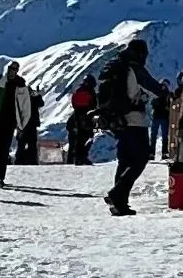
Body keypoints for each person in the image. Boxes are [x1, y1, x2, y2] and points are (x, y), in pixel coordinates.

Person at [100, 40, 173, 216]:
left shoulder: (117, 66)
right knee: (140, 159)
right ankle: (117, 194)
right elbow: (154, 88)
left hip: (117, 120)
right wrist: (166, 92)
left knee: (124, 161)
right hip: (134, 121)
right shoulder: (134, 68)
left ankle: (119, 204)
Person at [65, 76, 97, 164]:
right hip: (84, 118)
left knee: (78, 139)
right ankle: (80, 158)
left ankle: (76, 159)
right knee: (83, 138)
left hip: (78, 118)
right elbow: (90, 105)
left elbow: (76, 104)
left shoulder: (80, 91)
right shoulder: (87, 92)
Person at [12, 77, 43, 166]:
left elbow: (40, 103)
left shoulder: (23, 95)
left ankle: (23, 161)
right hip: (27, 123)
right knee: (26, 144)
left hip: (26, 123)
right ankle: (27, 161)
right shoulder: (22, 96)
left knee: (27, 143)